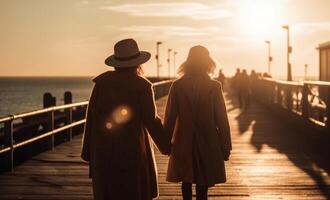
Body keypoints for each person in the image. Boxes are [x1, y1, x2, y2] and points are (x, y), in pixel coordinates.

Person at [81, 39, 170, 200]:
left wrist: (87, 151)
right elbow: (151, 120)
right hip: (132, 150)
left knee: (108, 192)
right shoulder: (142, 86)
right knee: (134, 191)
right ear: (138, 63)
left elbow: (92, 118)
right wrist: (167, 146)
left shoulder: (101, 84)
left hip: (103, 150)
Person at [164, 45, 232, 200]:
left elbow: (169, 118)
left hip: (183, 139)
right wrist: (225, 145)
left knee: (186, 179)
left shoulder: (178, 85)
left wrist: (165, 144)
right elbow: (221, 119)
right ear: (208, 62)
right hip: (208, 139)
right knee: (203, 180)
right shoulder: (214, 86)